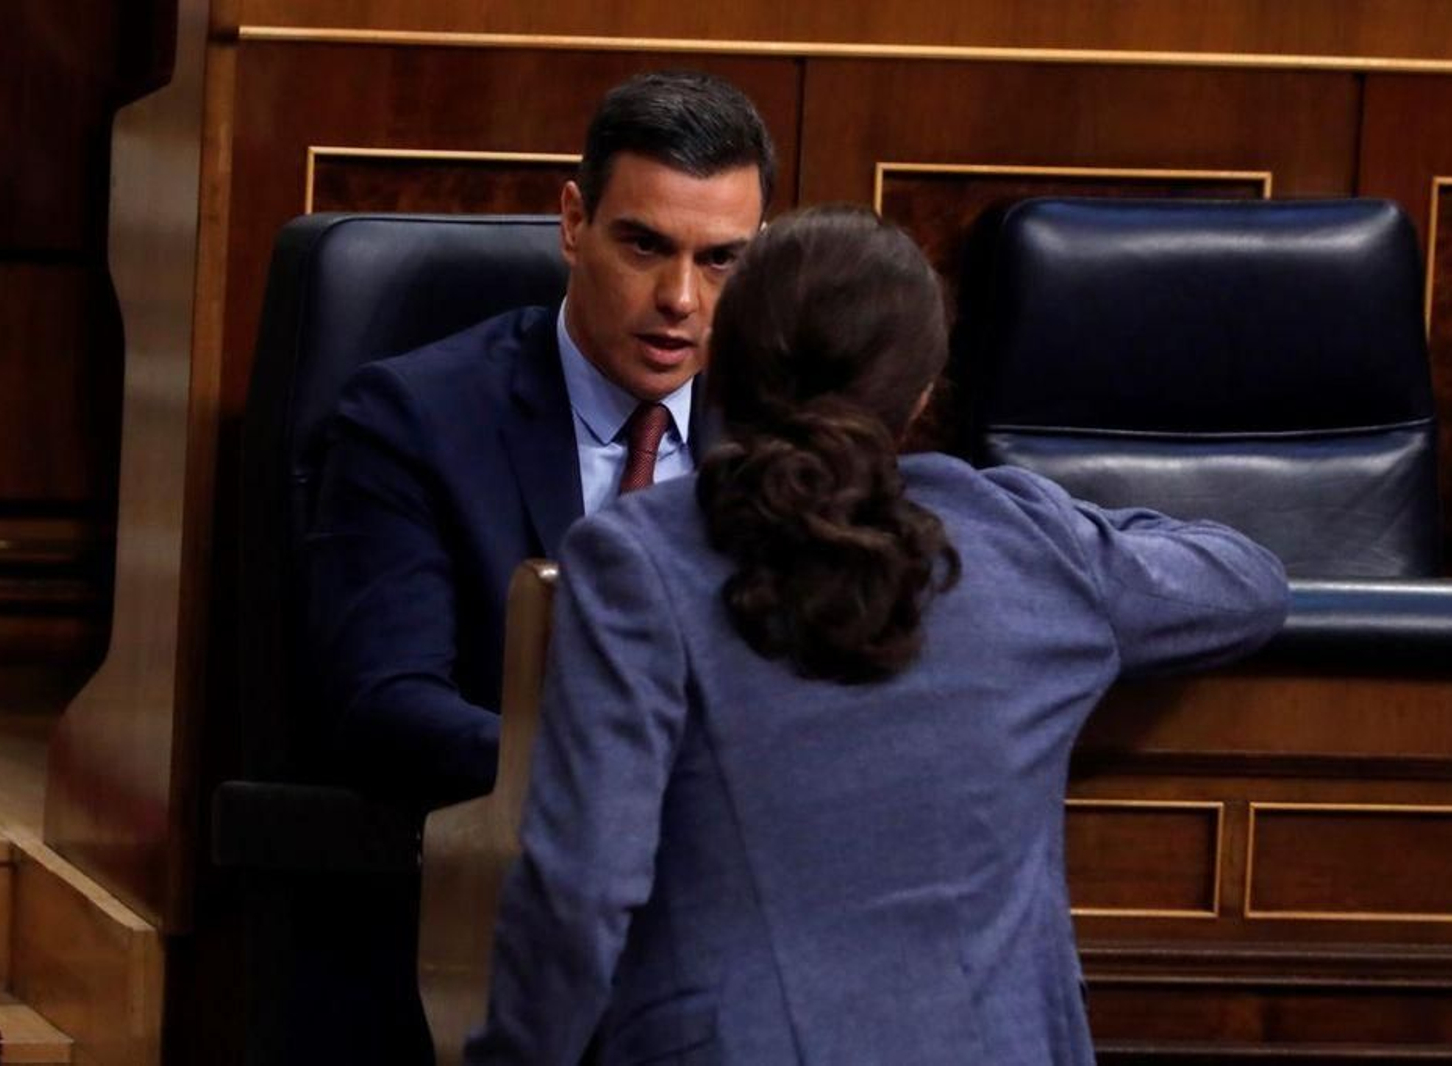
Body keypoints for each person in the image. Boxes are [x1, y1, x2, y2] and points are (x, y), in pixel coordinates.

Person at [466, 206, 1288, 1065]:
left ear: (726, 358)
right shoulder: (1030, 540)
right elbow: (1250, 581)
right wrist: (1059, 518)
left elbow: (581, 891)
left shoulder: (636, 561)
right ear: (923, 393)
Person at [306, 71, 775, 811]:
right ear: (572, 223)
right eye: (646, 246)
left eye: (721, 259)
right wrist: (610, 772)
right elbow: (385, 704)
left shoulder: (780, 428)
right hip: (507, 869)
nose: (681, 300)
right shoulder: (417, 419)